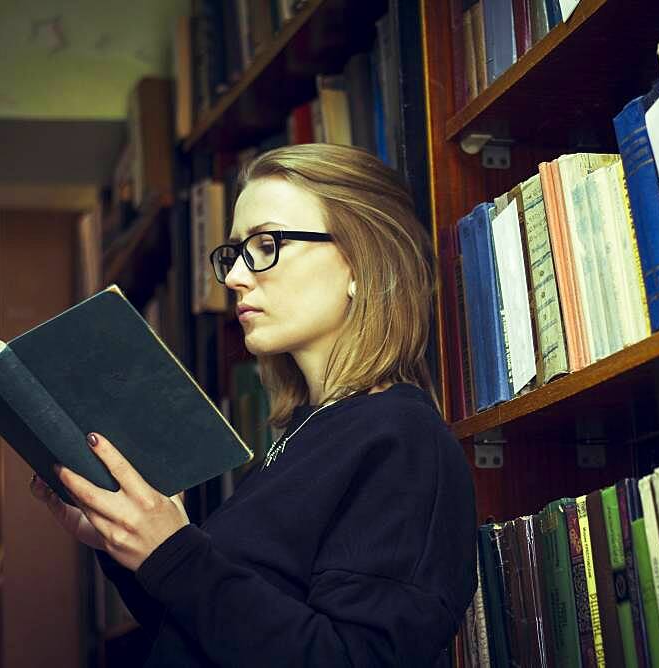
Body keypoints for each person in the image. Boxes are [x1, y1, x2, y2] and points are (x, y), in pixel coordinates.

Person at [29, 143, 478, 666]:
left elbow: (353, 658)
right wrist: (130, 546)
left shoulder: (401, 439)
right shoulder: (303, 434)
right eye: (234, 254)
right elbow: (215, 638)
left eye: (266, 245)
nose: (237, 277)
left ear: (362, 262)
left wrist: (175, 554)